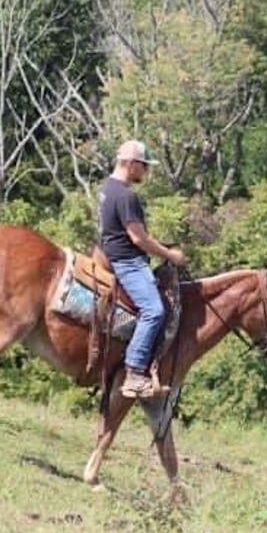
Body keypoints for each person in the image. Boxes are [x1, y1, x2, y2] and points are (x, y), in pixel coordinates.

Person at [97, 139, 187, 399]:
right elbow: (138, 238)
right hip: (127, 262)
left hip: (111, 254)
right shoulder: (126, 196)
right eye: (144, 166)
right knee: (154, 311)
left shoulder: (107, 188)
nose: (146, 172)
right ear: (132, 164)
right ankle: (135, 373)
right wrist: (171, 254)